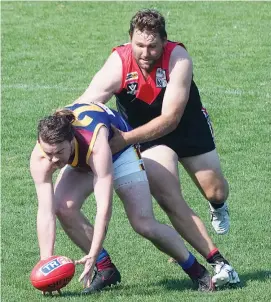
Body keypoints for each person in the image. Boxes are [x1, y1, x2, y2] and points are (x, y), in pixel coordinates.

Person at [74, 9, 240, 291]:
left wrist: (124, 139)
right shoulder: (118, 62)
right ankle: (219, 264)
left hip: (185, 127)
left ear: (164, 41)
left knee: (216, 191)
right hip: (144, 137)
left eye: (153, 46)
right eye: (139, 45)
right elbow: (88, 101)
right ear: (130, 40)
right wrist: (63, 119)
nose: (146, 53)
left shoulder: (179, 58)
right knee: (168, 197)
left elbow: (170, 119)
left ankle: (218, 206)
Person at [30, 102, 224, 295]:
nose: (53, 160)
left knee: (143, 223)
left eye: (58, 153)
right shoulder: (41, 157)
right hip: (84, 159)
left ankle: (197, 271)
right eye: (49, 153)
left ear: (71, 140)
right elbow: (45, 210)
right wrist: (46, 262)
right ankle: (106, 270)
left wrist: (93, 253)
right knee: (63, 207)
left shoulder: (95, 142)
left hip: (119, 152)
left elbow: (103, 208)